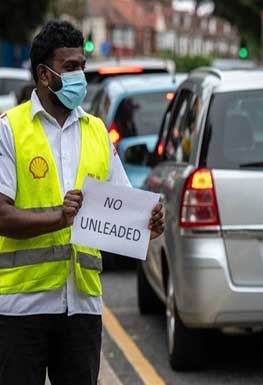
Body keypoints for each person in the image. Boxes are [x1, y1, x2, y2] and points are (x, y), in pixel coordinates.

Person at [0, 20, 164, 385]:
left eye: (82, 67)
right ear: (44, 74)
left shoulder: (96, 132)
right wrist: (60, 217)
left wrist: (149, 223)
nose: (79, 76)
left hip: (82, 308)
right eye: (70, 67)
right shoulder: (10, 129)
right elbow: (2, 215)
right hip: (19, 310)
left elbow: (129, 216)